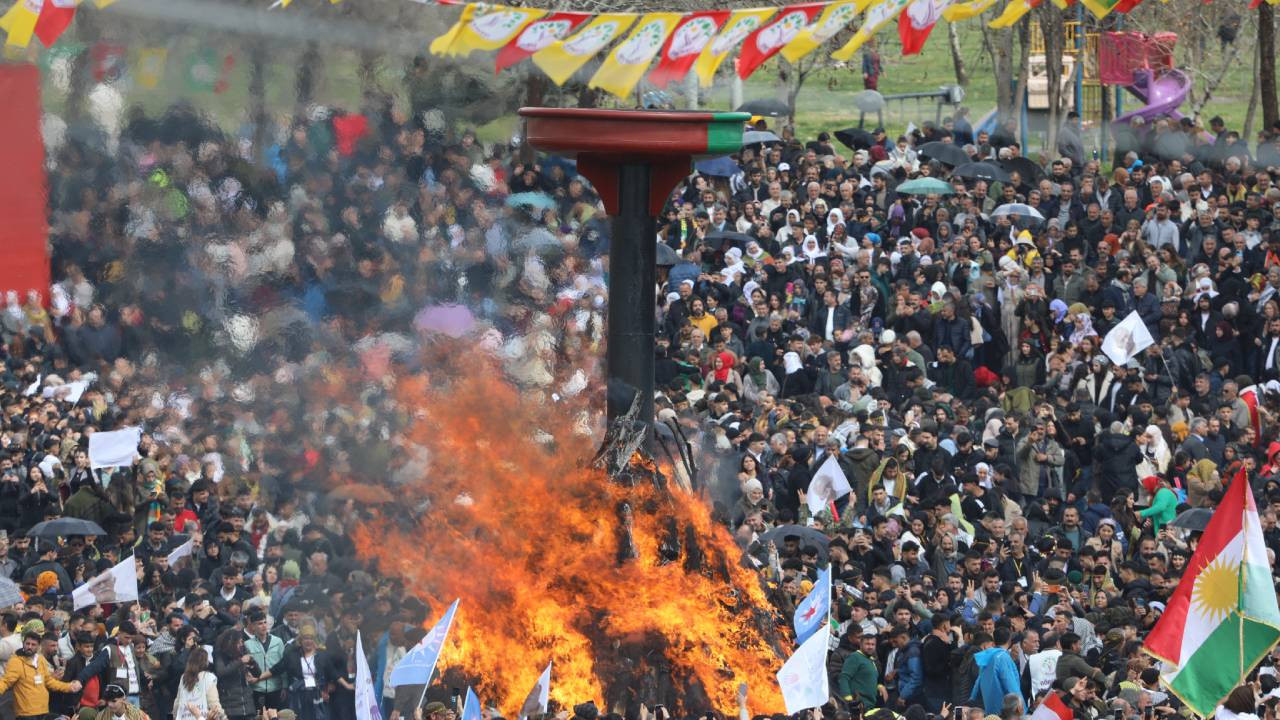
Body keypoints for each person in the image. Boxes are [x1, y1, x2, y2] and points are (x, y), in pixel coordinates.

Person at [0, 631, 82, 720]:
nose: (29, 647)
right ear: (23, 644)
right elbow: (6, 681)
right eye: (27, 644)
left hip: (43, 711)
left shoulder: (40, 659)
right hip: (26, 713)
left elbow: (49, 681)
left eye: (33, 644)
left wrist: (69, 687)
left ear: (39, 646)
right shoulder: (16, 661)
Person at [172, 649, 220, 720]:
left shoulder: (183, 678)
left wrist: (175, 716)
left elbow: (177, 703)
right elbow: (213, 703)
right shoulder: (209, 677)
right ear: (205, 662)